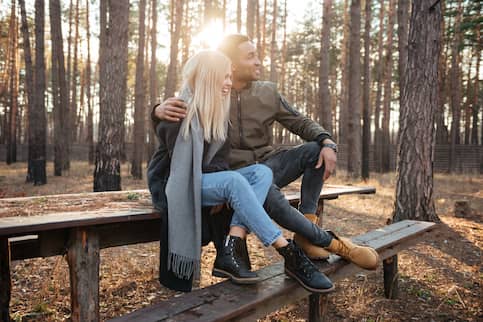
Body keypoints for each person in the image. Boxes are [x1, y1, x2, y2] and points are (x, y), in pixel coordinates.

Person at [153, 35, 379, 271]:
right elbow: (182, 121)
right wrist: (157, 110)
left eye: (257, 55)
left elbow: (299, 121)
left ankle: (306, 232)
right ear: (229, 64)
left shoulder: (267, 93)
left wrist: (327, 141)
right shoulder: (217, 92)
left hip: (270, 163)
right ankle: (332, 243)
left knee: (315, 151)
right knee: (270, 196)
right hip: (238, 173)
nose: (258, 61)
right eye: (250, 57)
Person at [147, 50, 335, 293]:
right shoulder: (178, 112)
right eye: (223, 77)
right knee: (234, 181)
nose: (228, 83)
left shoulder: (218, 115)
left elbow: (219, 161)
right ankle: (288, 251)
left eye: (229, 77)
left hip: (204, 181)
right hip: (176, 185)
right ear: (207, 77)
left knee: (261, 174)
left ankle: (232, 243)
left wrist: (219, 186)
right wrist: (221, 186)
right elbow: (182, 169)